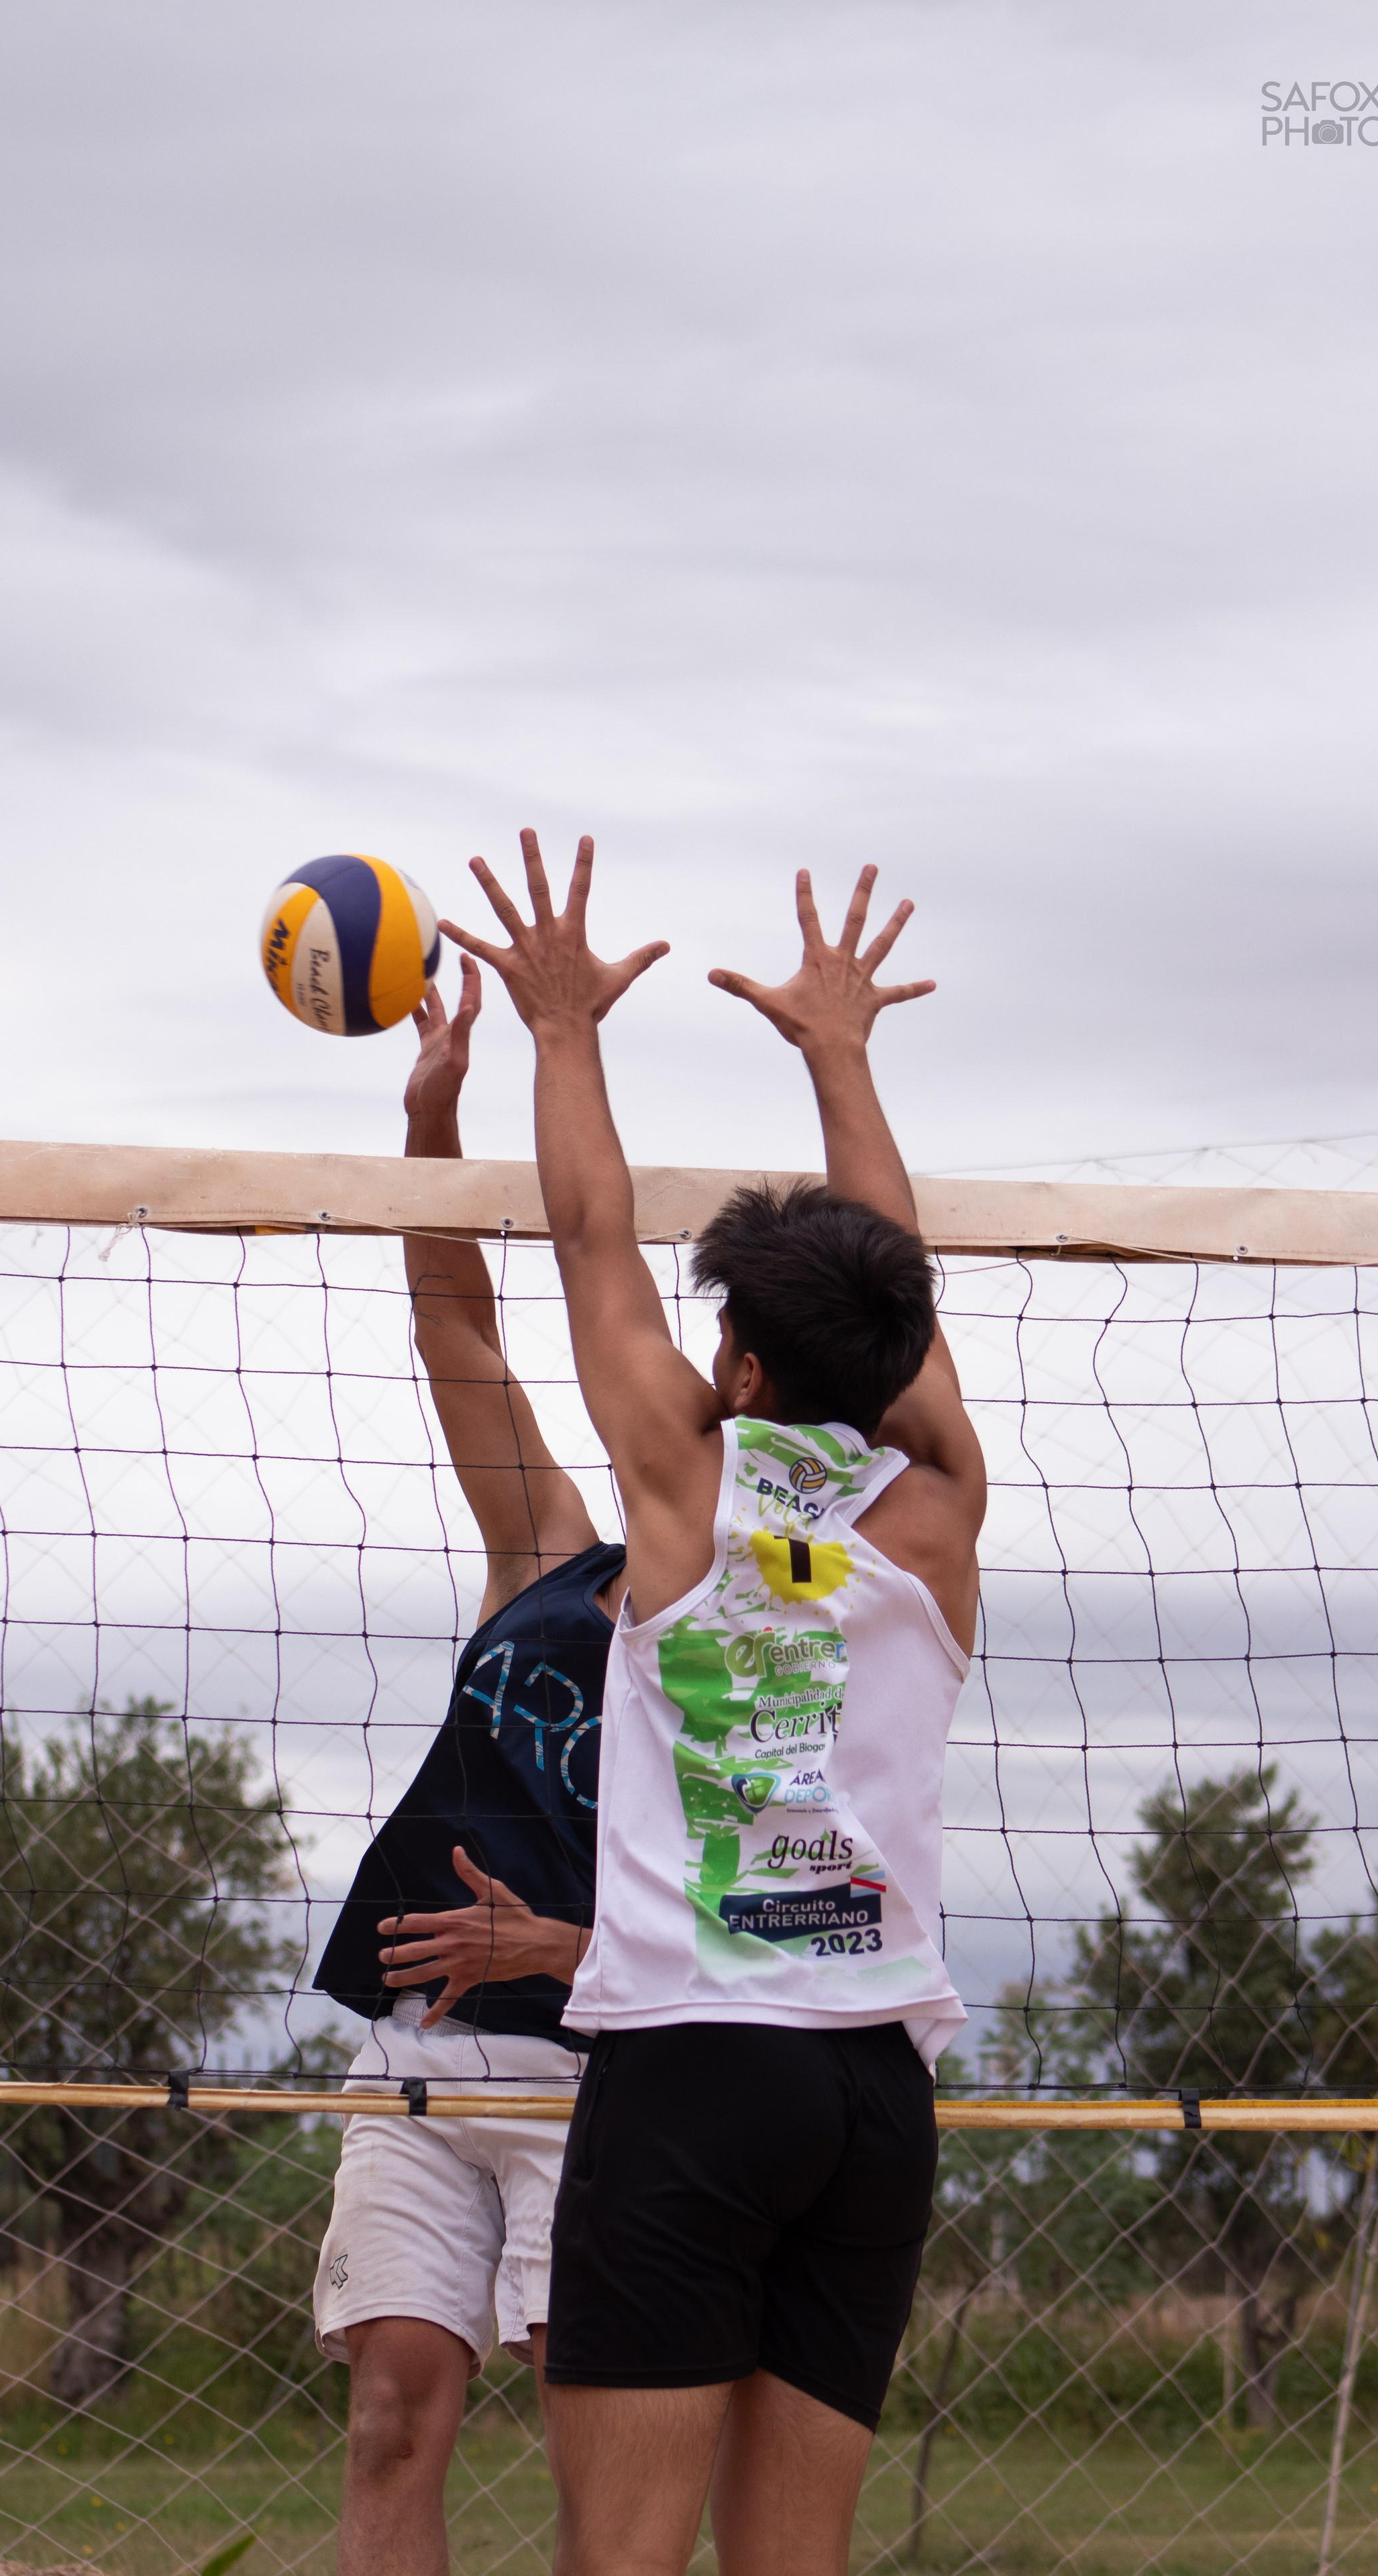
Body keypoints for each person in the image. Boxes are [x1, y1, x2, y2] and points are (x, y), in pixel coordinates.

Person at [442, 835, 988, 2576]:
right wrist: (842, 1052)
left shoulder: (684, 1498)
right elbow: (894, 1290)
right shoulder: (937, 1515)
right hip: (870, 2100)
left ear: (738, 1367)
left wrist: (563, 1026)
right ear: (899, 1360)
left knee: (622, 2560)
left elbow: (591, 1237)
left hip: (696, 2072)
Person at [310, 956, 627, 2576]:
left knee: (604, 2462)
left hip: (608, 2072)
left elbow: (798, 1916)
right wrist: (430, 1126)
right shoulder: (556, 1555)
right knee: (390, 2414)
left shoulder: (776, 1643)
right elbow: (458, 1327)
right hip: (425, 2047)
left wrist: (557, 1946)